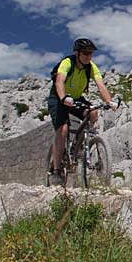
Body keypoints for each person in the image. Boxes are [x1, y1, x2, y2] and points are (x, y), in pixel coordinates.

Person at [47, 38, 115, 186]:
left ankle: (79, 146)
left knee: (93, 113)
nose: (89, 56)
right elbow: (59, 82)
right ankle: (57, 170)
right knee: (63, 129)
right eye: (85, 53)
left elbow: (100, 85)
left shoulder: (91, 67)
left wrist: (109, 101)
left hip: (76, 98)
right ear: (77, 53)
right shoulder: (67, 63)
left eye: (91, 53)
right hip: (59, 98)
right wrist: (63, 97)